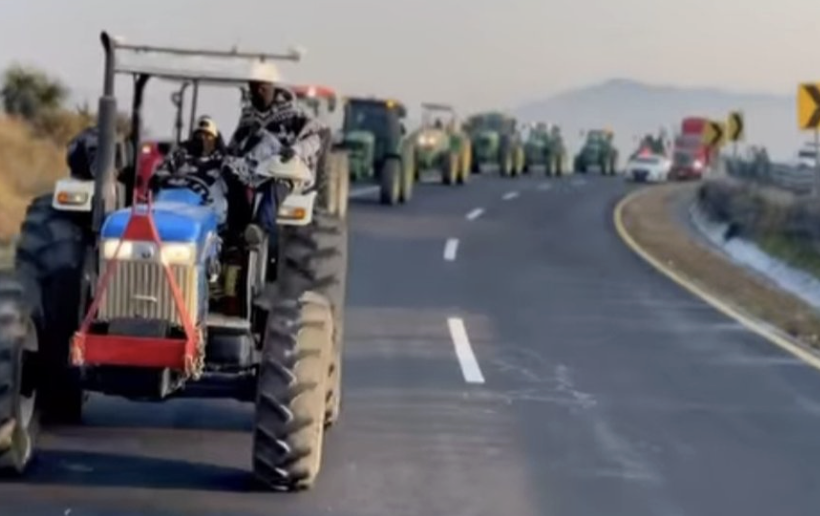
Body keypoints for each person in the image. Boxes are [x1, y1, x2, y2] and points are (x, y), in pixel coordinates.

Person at [226, 78, 328, 244]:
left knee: (277, 186)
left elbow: (315, 138)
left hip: (283, 169)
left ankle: (259, 227)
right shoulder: (248, 117)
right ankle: (237, 231)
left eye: (263, 87)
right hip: (251, 169)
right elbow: (235, 145)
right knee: (231, 179)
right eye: (255, 87)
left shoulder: (294, 114)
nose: (259, 91)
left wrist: (296, 150)